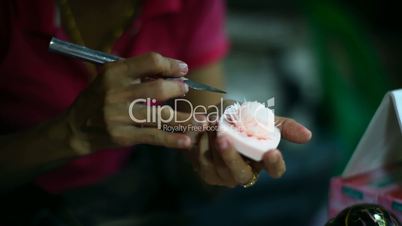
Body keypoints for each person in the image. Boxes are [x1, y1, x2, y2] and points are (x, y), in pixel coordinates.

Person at [0, 0, 312, 223]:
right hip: (24, 195)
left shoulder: (193, 5)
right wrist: (72, 133)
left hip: (130, 184)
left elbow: (200, 136)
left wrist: (218, 161)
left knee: (312, 170)